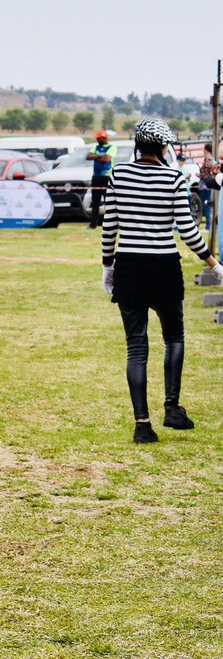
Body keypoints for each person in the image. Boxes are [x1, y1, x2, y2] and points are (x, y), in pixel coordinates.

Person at [100, 119, 222, 443]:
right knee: (174, 338)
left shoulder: (119, 175)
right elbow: (187, 229)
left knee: (136, 348)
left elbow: (109, 226)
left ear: (138, 144)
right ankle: (172, 407)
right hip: (164, 266)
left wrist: (107, 266)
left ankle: (142, 424)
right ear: (164, 147)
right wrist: (214, 263)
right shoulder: (173, 177)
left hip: (130, 266)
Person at [85, 129, 117, 229]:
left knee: (109, 202)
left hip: (106, 177)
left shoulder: (112, 147)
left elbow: (106, 159)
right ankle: (93, 225)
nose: (98, 140)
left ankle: (110, 224)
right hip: (96, 177)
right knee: (95, 202)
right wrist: (100, 155)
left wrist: (96, 156)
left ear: (105, 138)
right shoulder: (96, 146)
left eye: (100, 138)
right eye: (97, 138)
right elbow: (88, 156)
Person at [198, 145, 219, 229]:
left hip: (205, 186)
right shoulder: (212, 159)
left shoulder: (208, 159)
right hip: (208, 186)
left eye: (203, 149)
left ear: (206, 150)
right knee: (209, 206)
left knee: (207, 206)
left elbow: (206, 173)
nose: (202, 150)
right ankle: (211, 226)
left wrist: (201, 175)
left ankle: (208, 226)